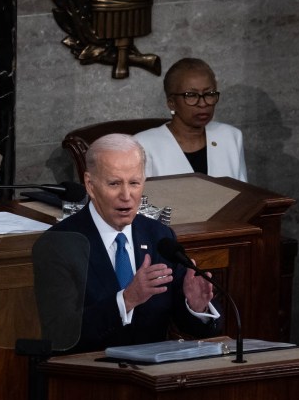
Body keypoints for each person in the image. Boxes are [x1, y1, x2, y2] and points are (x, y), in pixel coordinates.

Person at [37, 133, 220, 354]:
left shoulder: (159, 237)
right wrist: (126, 300)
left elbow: (191, 327)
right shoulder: (59, 244)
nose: (126, 195)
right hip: (93, 378)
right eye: (114, 183)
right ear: (90, 185)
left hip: (153, 378)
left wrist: (195, 306)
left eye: (134, 183)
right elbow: (61, 333)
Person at [134, 57, 247, 182]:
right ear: (172, 103)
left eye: (209, 94)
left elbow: (244, 195)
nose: (203, 104)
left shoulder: (231, 136)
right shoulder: (142, 145)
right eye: (191, 95)